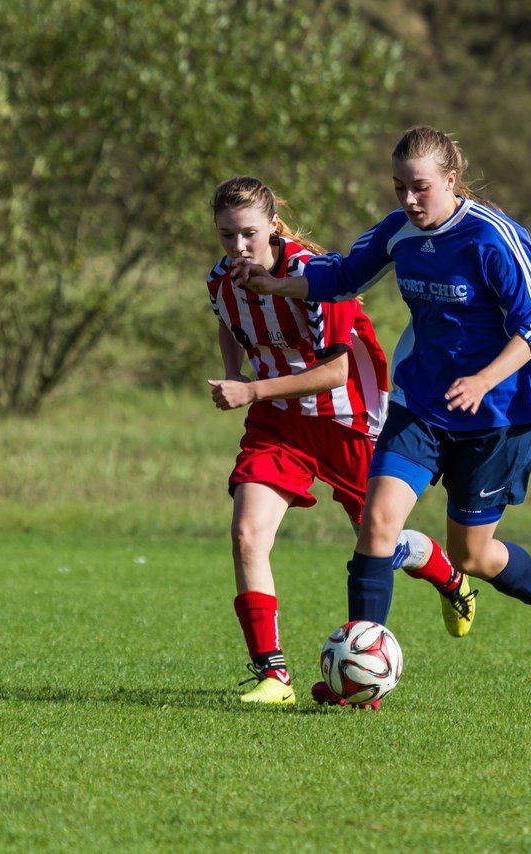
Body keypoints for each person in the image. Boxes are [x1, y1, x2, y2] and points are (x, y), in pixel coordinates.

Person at [233, 127, 531, 707]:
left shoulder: (492, 238)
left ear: (451, 179)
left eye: (420, 188)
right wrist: (277, 284)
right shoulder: (399, 232)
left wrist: (484, 379)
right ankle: (357, 676)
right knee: (377, 524)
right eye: (399, 189)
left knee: (473, 555)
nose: (409, 201)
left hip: (493, 417)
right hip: (419, 406)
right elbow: (341, 276)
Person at [207, 175, 477, 707]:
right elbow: (227, 322)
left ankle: (449, 577)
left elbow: (333, 374)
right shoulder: (220, 281)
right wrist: (232, 371)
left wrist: (251, 388)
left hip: (348, 420)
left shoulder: (317, 277)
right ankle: (273, 677)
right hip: (279, 423)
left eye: (248, 234)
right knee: (246, 534)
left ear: (274, 227)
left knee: (380, 543)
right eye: (225, 235)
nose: (238, 247)